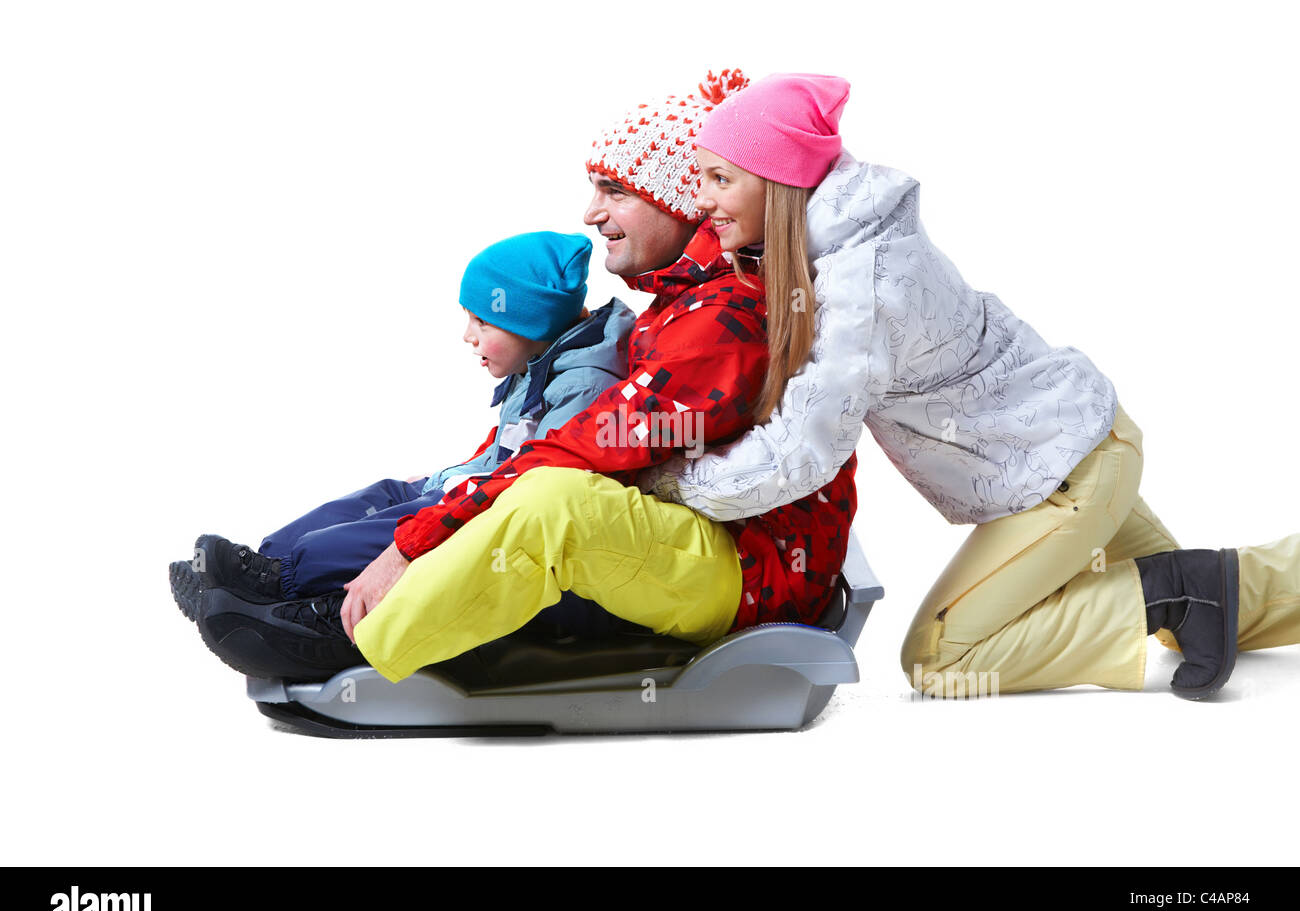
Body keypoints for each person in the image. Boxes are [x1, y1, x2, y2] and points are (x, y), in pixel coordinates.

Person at [180, 68, 861, 686]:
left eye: (615, 190)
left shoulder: (726, 314)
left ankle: (355, 636)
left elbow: (586, 447)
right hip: (721, 548)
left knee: (552, 502)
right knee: (517, 488)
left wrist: (415, 544)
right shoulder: (686, 302)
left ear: (679, 199)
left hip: (749, 576)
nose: (591, 213)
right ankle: (306, 589)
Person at [638, 72, 1300, 699]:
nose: (701, 199)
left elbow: (802, 453)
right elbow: (729, 222)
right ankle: (1189, 591)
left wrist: (664, 481)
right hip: (1079, 440)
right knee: (1222, 601)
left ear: (775, 184)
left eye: (718, 179)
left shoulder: (856, 287)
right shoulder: (832, 226)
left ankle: (1175, 591)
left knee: (940, 657)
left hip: (1058, 478)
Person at [171, 230, 640, 675]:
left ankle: (286, 593)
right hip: (477, 485)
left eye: (482, 320)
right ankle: (264, 569)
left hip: (497, 511)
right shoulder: (544, 356)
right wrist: (449, 475)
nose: (468, 335)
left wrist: (451, 491)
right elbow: (507, 448)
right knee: (387, 492)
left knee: (383, 529)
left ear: (531, 320)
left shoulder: (585, 383)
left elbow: (539, 477)